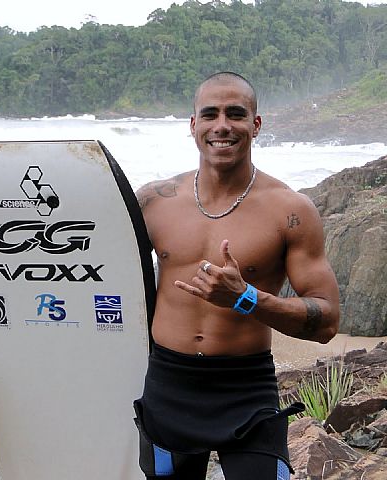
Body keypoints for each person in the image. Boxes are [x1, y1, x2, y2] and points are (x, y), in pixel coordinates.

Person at [132, 72, 340, 479]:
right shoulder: (153, 203)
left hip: (245, 386)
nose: (222, 125)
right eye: (209, 114)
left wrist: (247, 298)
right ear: (193, 126)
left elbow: (327, 321)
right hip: (169, 383)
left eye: (236, 114)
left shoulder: (289, 211)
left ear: (255, 125)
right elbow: (93, 275)